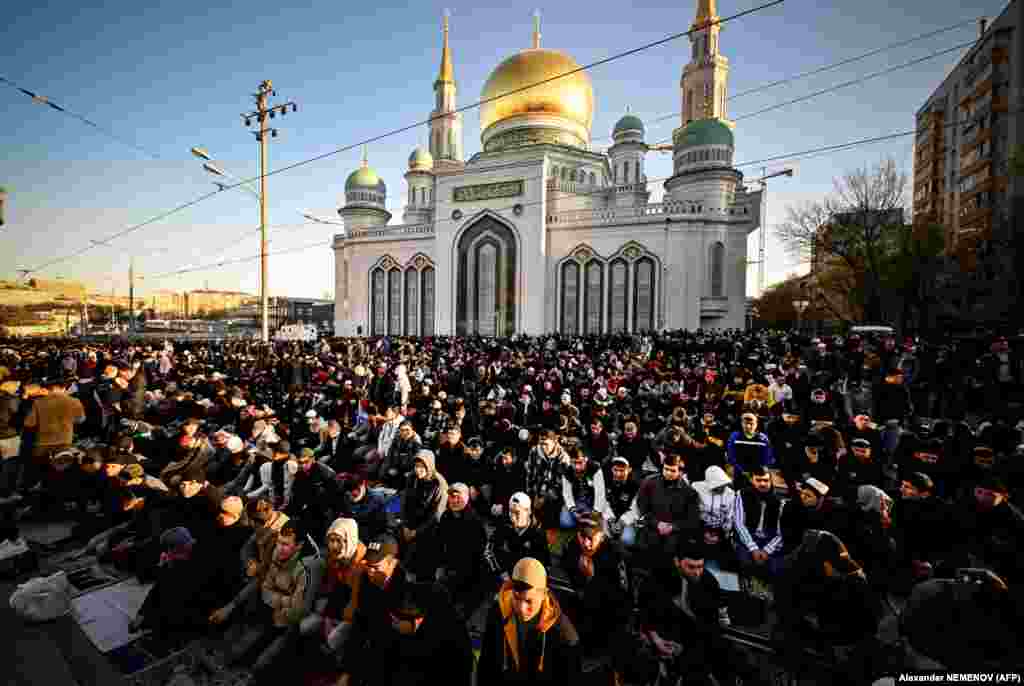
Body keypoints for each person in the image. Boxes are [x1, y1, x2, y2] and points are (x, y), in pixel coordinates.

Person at [638, 535, 753, 686]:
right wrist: (656, 640)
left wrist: (722, 617)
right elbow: (646, 613)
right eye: (691, 567)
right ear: (677, 562)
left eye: (700, 566)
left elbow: (716, 616)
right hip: (673, 637)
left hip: (701, 636)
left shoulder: (707, 579)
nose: (697, 572)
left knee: (737, 661)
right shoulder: (658, 578)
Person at [477, 557, 582, 685]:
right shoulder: (498, 613)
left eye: (528, 601)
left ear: (544, 594)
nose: (521, 608)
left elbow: (570, 677)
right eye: (516, 598)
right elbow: (487, 663)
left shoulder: (562, 632)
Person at [558, 512, 631, 676]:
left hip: (606, 615)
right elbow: (566, 577)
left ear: (602, 536)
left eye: (591, 538)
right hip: (578, 605)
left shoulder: (614, 554)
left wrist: (592, 579)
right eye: (582, 537)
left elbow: (621, 598)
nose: (586, 543)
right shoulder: (572, 547)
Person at [301, 518, 366, 661]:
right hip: (331, 607)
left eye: (338, 540)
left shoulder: (362, 565)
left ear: (349, 540)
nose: (334, 546)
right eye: (331, 540)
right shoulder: (333, 558)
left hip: (350, 614)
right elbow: (329, 586)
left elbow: (355, 601)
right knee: (304, 627)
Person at [130, 527, 207, 637]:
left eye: (170, 550)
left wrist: (164, 568)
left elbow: (167, 591)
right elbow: (157, 589)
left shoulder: (194, 564)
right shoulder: (177, 560)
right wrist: (141, 615)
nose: (167, 554)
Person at [631, 453, 701, 558]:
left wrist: (673, 527)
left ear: (681, 472)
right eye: (666, 469)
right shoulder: (649, 482)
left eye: (673, 470)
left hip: (675, 534)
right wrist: (657, 523)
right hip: (650, 528)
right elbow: (641, 507)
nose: (668, 473)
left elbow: (692, 519)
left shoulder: (690, 492)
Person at [436, 482, 489, 619]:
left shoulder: (474, 522)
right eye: (452, 497)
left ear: (467, 498)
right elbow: (440, 544)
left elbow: (478, 555)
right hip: (449, 567)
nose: (454, 500)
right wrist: (441, 566)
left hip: (469, 573)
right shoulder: (446, 517)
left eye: (458, 497)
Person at [398, 450, 447, 580]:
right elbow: (404, 501)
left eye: (422, 466)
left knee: (422, 548)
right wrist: (405, 525)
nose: (418, 470)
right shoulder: (412, 478)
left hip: (429, 525)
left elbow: (436, 515)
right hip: (412, 521)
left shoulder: (439, 484)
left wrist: (416, 532)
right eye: (416, 466)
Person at [485, 492, 551, 582]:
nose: (513, 517)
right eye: (511, 512)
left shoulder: (538, 533)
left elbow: (545, 564)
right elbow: (489, 551)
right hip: (504, 575)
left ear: (528, 511)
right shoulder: (504, 524)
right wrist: (501, 573)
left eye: (517, 512)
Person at [734, 466, 786, 579]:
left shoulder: (780, 500)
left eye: (766, 480)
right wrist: (753, 548)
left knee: (776, 569)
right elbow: (739, 524)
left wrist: (767, 550)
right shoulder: (742, 494)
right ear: (752, 480)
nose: (762, 484)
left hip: (770, 540)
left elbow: (782, 532)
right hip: (748, 537)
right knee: (744, 563)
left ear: (771, 481)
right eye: (758, 480)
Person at [559, 445, 612, 530]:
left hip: (591, 501)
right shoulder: (567, 471)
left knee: (602, 516)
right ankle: (584, 521)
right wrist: (573, 510)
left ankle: (584, 520)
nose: (577, 467)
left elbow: (600, 493)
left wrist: (596, 511)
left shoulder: (595, 468)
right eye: (574, 463)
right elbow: (567, 494)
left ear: (586, 459)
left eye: (580, 462)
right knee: (565, 523)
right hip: (577, 501)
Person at [725, 410, 774, 480]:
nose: (748, 426)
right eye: (745, 423)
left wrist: (763, 467)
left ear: (756, 424)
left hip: (758, 473)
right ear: (741, 423)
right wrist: (741, 470)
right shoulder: (734, 436)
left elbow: (768, 455)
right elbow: (731, 455)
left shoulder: (763, 438)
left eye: (751, 424)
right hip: (739, 472)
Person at [604, 456, 640, 548]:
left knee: (627, 540)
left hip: (627, 520)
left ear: (629, 470)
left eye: (622, 470)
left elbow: (635, 509)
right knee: (603, 536)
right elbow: (603, 503)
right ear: (612, 469)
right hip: (609, 517)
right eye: (615, 470)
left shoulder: (635, 486)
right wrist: (611, 520)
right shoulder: (606, 482)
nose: (618, 474)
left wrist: (622, 522)